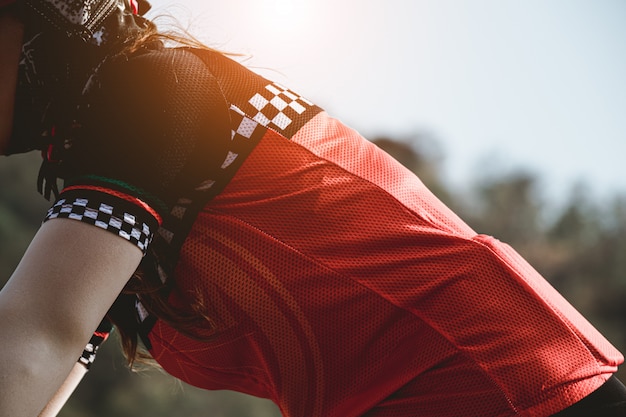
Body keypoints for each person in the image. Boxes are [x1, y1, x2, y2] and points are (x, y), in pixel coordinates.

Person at [0, 1, 625, 416]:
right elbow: (39, 371)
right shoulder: (105, 155)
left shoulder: (149, 90)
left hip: (492, 378)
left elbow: (36, 336)